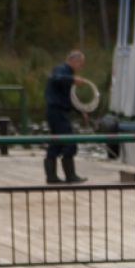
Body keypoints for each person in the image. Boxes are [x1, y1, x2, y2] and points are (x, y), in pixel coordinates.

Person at [44, 50, 86, 184]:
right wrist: (72, 79)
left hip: (58, 111)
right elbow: (56, 78)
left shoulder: (67, 73)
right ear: (74, 60)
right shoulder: (61, 69)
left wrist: (81, 111)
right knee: (69, 142)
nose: (80, 67)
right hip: (56, 111)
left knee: (56, 143)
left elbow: (69, 98)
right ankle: (70, 175)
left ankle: (52, 177)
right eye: (80, 64)